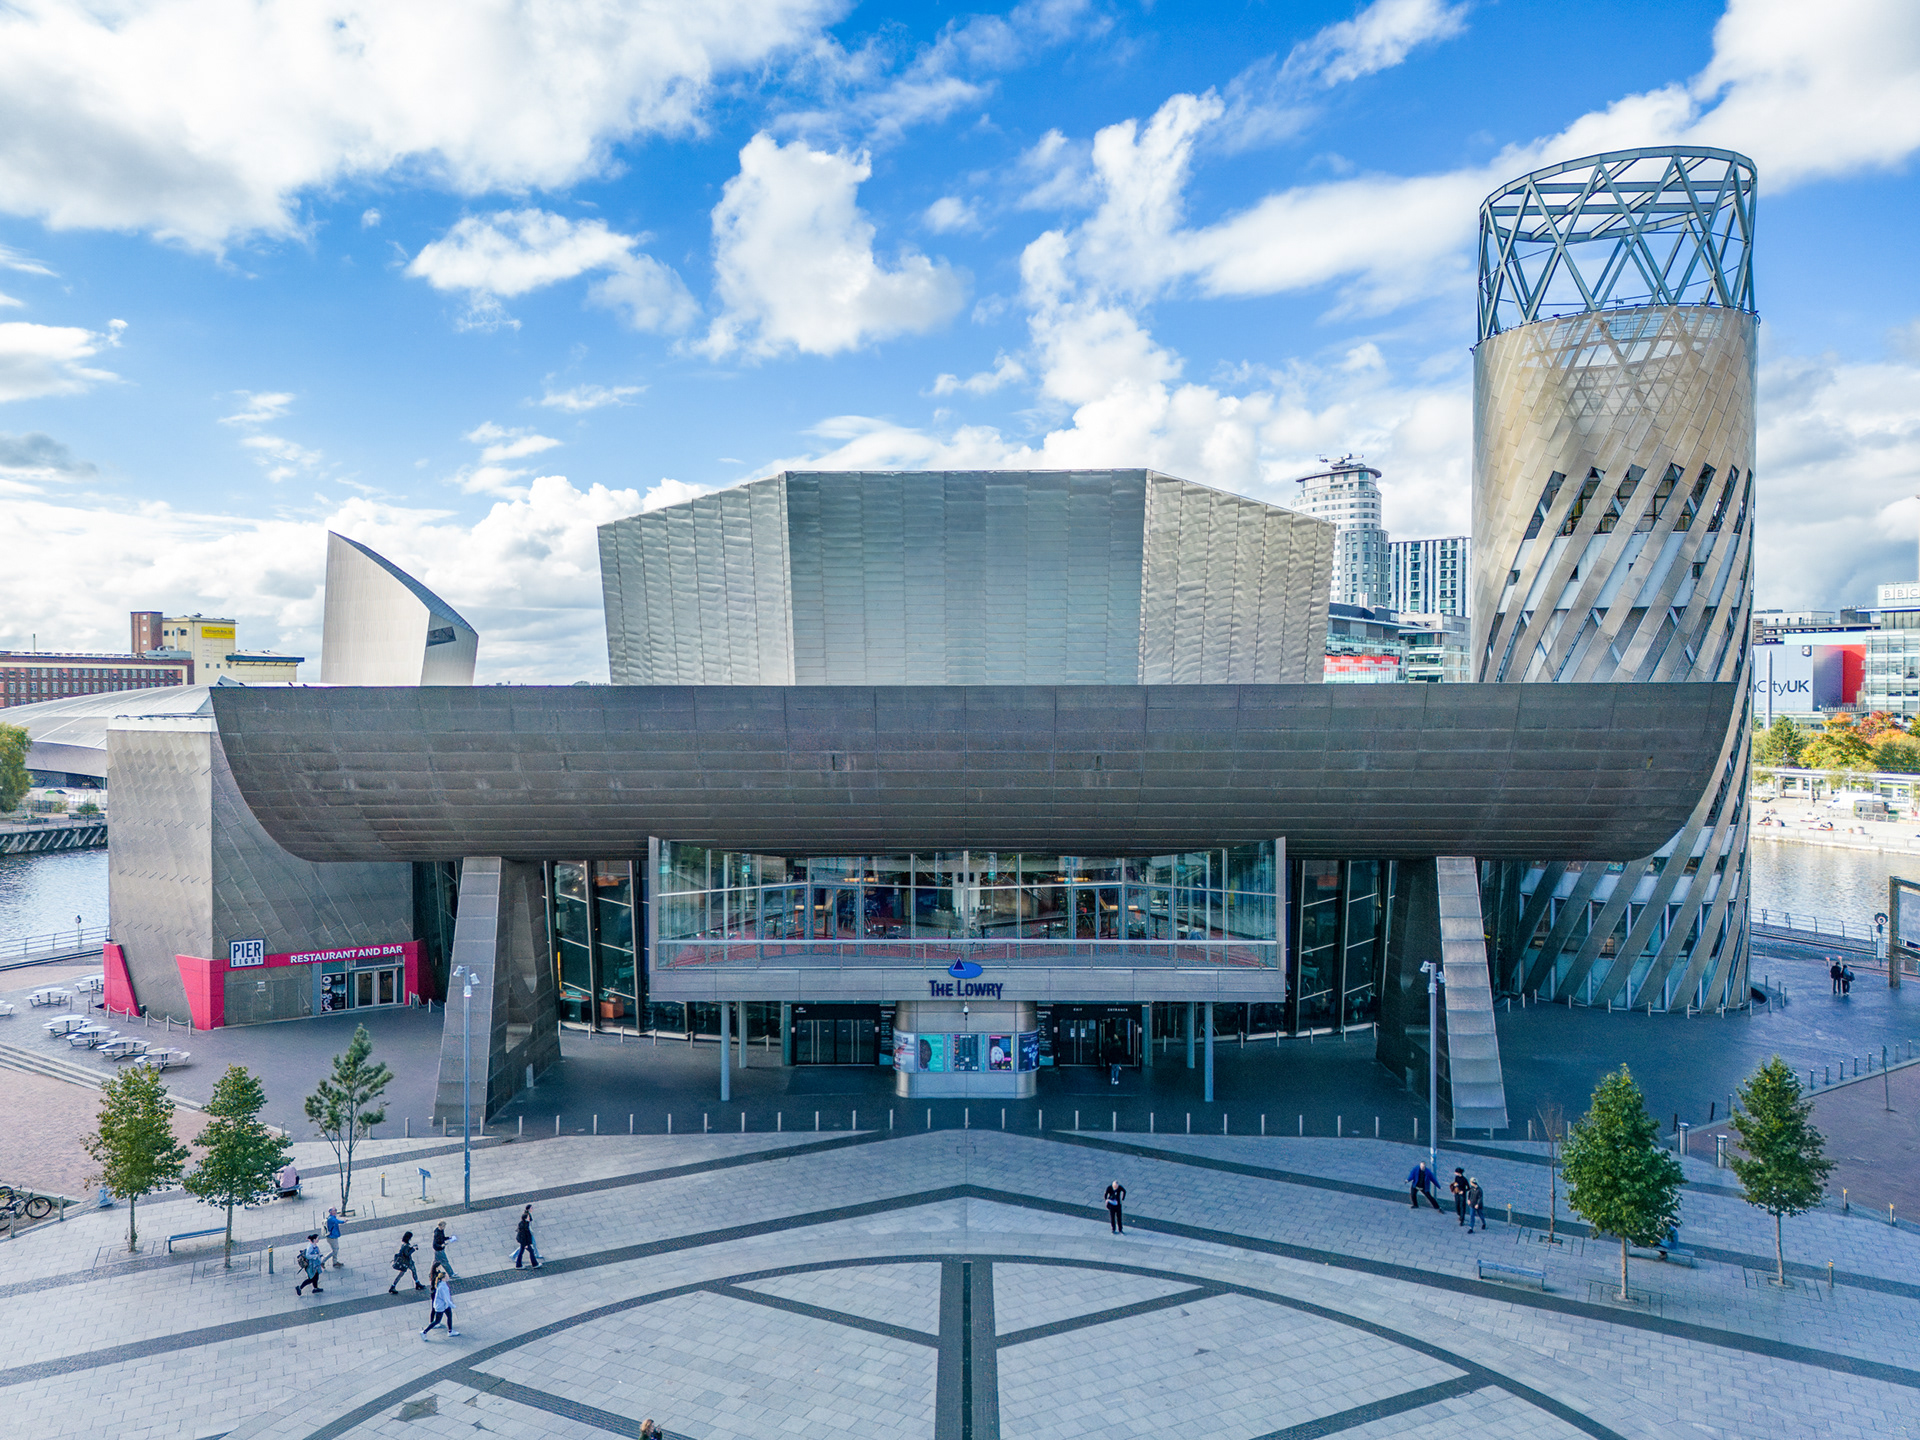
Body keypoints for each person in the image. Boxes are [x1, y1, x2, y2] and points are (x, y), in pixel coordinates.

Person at [420, 1266, 458, 1339]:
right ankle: (424, 1332)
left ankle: (450, 1331)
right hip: (442, 1306)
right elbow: (445, 1298)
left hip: (443, 1305)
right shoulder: (442, 1287)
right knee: (437, 1321)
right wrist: (452, 1305)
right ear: (443, 1278)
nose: (448, 1276)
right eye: (446, 1276)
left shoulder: (441, 1284)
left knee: (449, 1316)